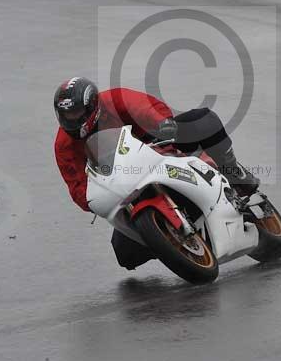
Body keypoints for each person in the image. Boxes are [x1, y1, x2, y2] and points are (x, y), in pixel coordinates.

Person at [53, 77, 258, 270]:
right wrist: (91, 199)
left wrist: (163, 123)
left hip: (155, 143)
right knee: (125, 255)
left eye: (76, 113)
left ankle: (233, 172)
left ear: (92, 106)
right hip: (122, 181)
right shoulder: (64, 145)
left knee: (203, 120)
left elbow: (143, 106)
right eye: (66, 115)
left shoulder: (114, 99)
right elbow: (77, 185)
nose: (71, 120)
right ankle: (170, 238)